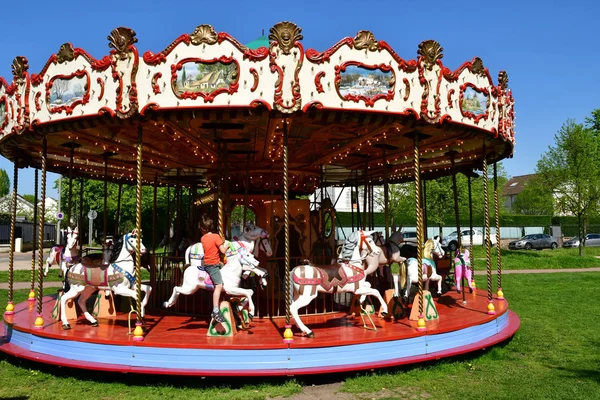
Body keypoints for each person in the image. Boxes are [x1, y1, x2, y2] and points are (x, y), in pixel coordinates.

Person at [200, 214, 228, 323]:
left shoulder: (203, 238)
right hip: (213, 264)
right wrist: (226, 245)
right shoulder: (216, 236)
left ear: (203, 229)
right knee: (219, 285)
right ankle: (215, 310)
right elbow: (223, 251)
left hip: (209, 263)